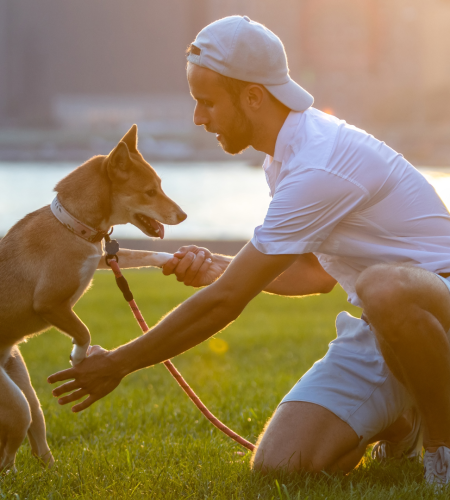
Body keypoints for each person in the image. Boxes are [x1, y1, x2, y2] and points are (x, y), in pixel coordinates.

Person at [49, 16, 450, 485]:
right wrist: (220, 268)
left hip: (430, 305)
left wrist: (118, 363)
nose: (199, 118)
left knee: (382, 286)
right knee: (280, 464)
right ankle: (404, 421)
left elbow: (227, 304)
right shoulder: (282, 160)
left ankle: (442, 451)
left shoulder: (318, 163)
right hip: (386, 327)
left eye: (207, 103)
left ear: (254, 97)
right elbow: (316, 275)